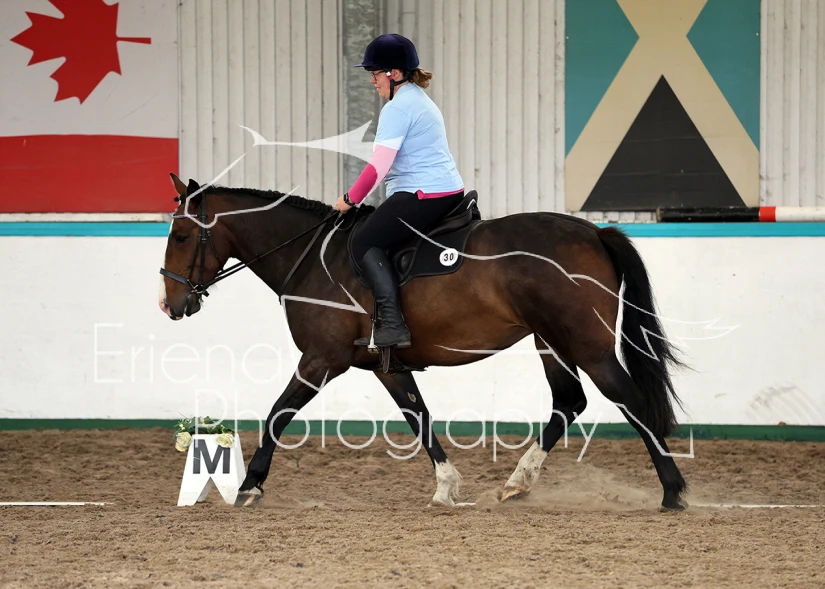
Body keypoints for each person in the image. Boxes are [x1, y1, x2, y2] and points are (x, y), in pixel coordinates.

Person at [334, 33, 465, 349]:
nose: (372, 81)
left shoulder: (398, 109)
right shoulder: (417, 98)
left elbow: (378, 167)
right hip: (445, 190)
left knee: (363, 241)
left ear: (393, 73)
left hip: (424, 194)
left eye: (375, 74)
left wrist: (349, 200)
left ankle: (392, 325)